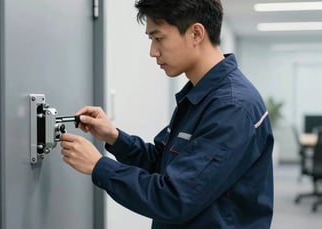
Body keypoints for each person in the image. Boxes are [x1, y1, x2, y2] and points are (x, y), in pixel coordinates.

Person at [60, 0, 274, 228]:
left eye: (158, 38)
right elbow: (162, 163)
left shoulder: (233, 108)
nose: (153, 52)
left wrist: (98, 167)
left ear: (196, 33)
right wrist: (114, 137)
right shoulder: (200, 96)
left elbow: (174, 198)